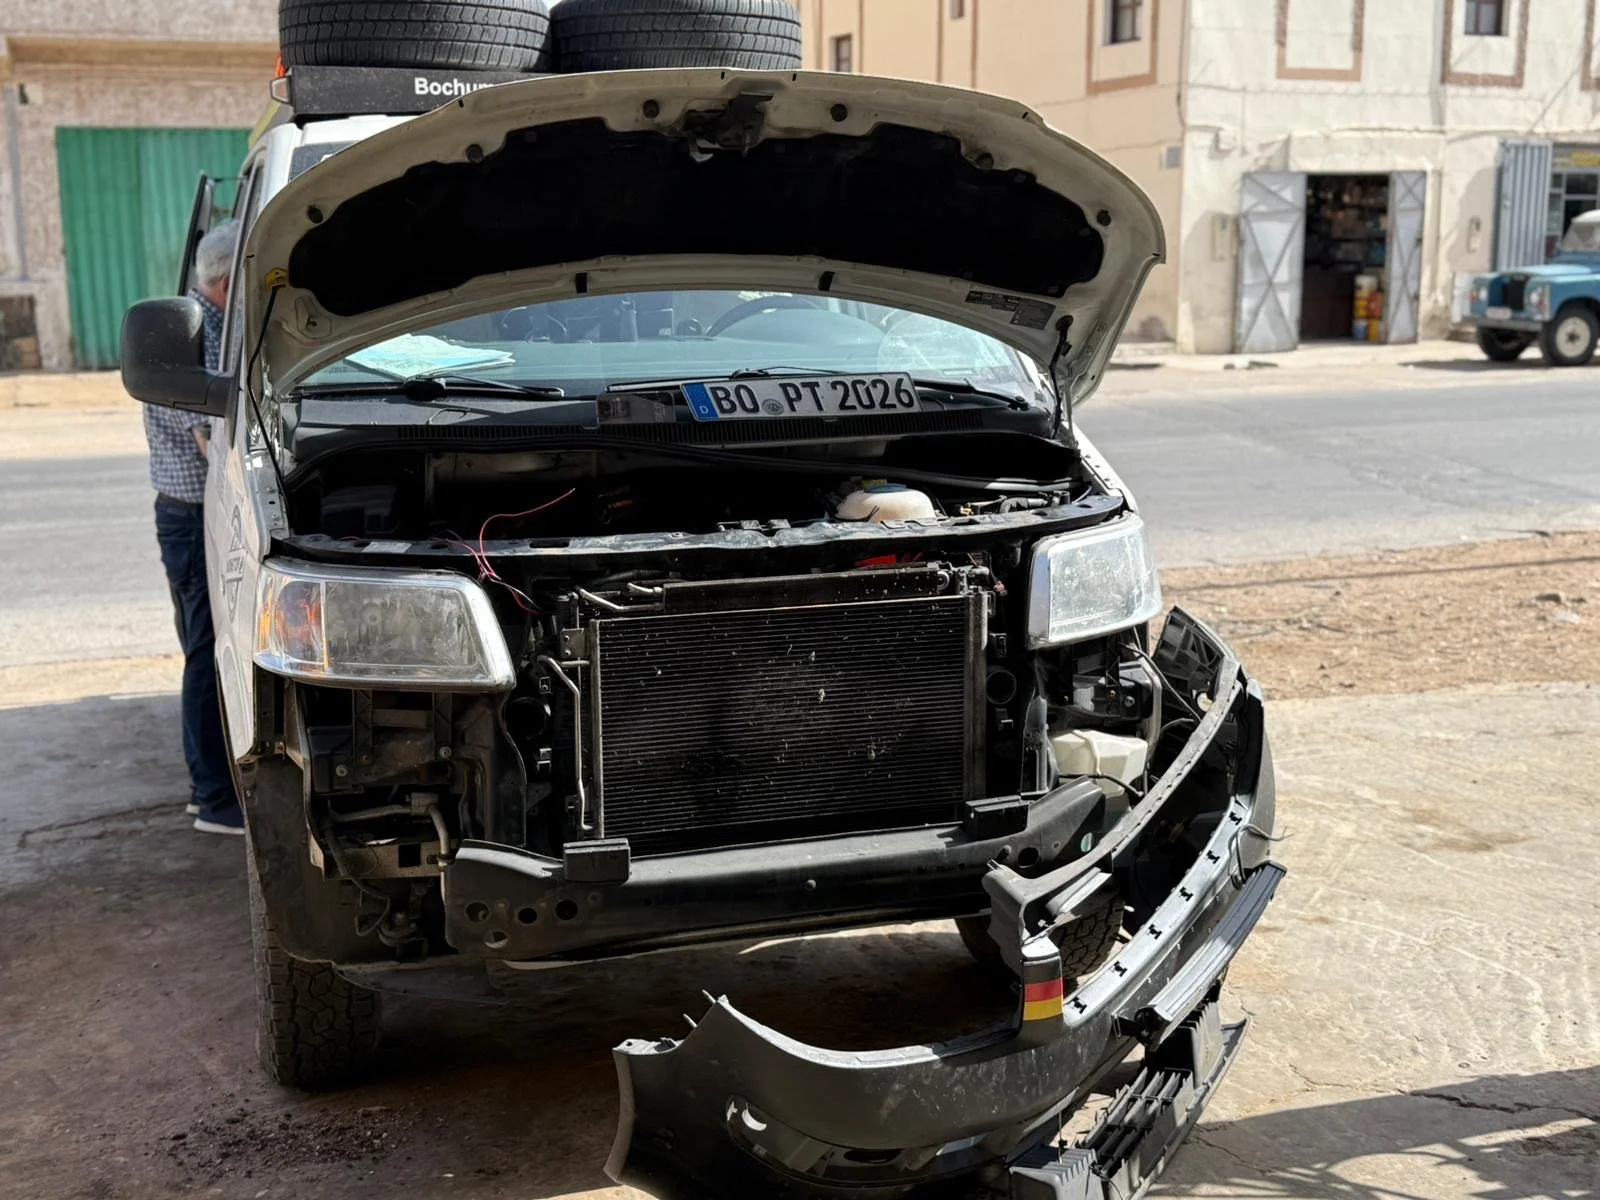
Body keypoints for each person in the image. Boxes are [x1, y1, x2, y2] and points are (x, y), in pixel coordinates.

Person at [146, 219, 243, 836]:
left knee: (201, 649)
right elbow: (210, 438)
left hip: (182, 513)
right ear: (229, 282)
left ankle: (205, 787)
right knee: (207, 655)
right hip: (191, 516)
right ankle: (212, 798)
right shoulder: (199, 333)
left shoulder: (195, 323)